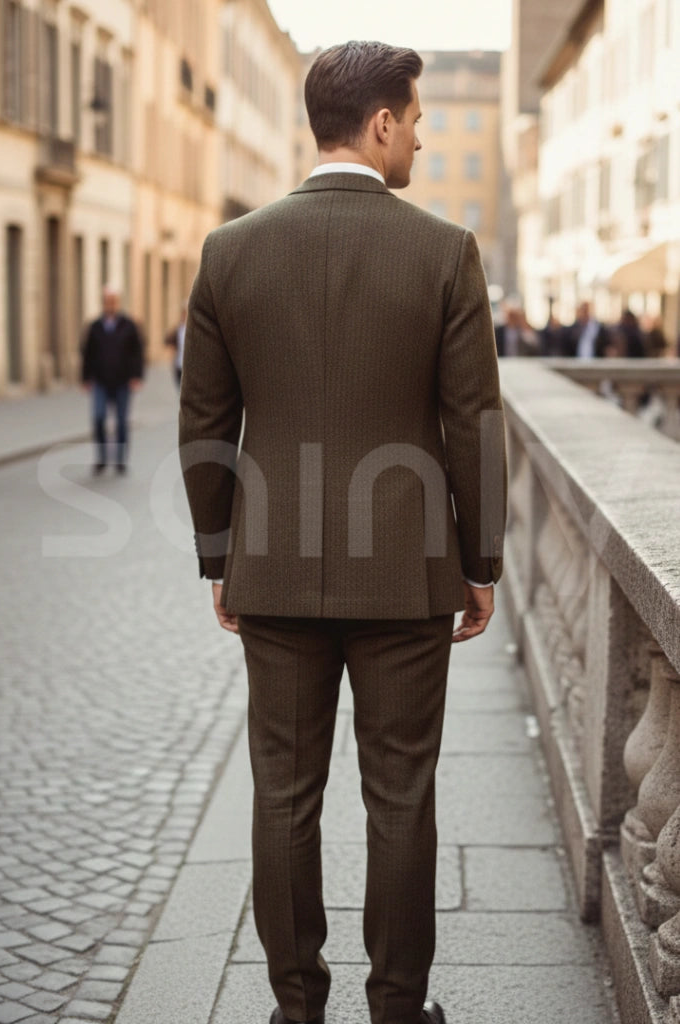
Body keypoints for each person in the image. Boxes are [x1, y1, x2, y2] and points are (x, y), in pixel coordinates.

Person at [179, 40, 506, 1024]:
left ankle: (295, 1007)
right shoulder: (444, 252)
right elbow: (474, 423)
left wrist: (218, 556)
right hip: (407, 577)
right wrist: (479, 560)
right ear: (378, 125)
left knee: (283, 794)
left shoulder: (229, 252)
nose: (420, 135)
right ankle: (399, 1009)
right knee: (400, 796)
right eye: (414, 118)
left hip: (272, 571)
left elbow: (205, 423)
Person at [81, 284, 144, 474]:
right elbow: (87, 352)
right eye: (107, 301)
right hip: (101, 380)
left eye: (113, 301)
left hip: (122, 381)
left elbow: (138, 352)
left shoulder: (129, 325)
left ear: (118, 303)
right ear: (103, 303)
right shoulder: (95, 326)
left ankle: (120, 460)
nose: (110, 304)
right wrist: (85, 377)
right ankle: (101, 458)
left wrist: (136, 376)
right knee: (99, 417)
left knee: (121, 421)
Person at [164, 302, 187, 386]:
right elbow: (169, 341)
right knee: (180, 387)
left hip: (190, 366)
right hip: (179, 363)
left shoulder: (194, 329)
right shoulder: (178, 329)